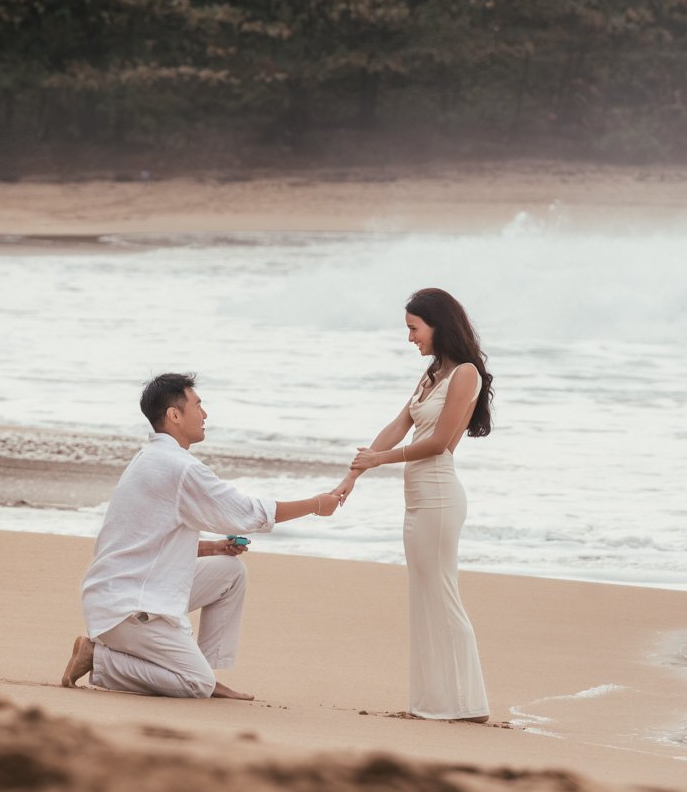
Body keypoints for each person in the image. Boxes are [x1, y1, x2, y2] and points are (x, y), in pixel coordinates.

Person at [61, 372, 345, 702]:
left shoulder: (150, 459)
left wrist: (212, 547)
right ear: (174, 415)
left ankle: (205, 672)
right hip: (126, 605)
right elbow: (246, 512)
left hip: (124, 589)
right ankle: (102, 658)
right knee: (193, 685)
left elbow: (147, 540)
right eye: (198, 405)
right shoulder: (178, 468)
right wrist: (315, 505)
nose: (205, 414)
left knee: (229, 572)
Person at [334, 287, 492, 721]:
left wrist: (381, 459)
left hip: (440, 497)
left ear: (439, 325)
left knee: (442, 596)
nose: (410, 338)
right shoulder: (431, 376)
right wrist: (354, 474)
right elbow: (397, 426)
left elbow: (439, 442)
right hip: (418, 500)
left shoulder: (465, 374)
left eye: (413, 328)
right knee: (425, 600)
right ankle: (435, 702)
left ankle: (469, 703)